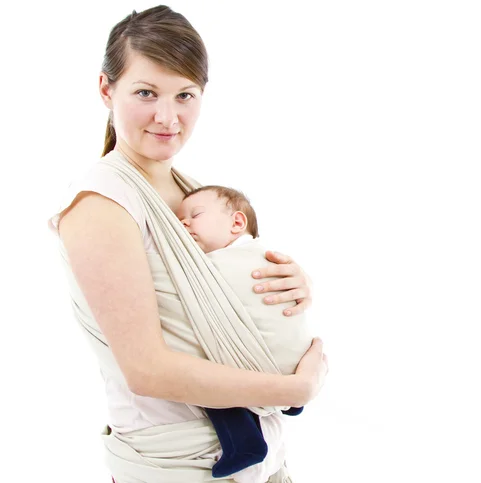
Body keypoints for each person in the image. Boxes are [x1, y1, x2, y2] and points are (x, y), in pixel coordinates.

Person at [47, 5, 328, 483]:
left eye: (185, 95)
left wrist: (289, 285)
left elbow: (220, 306)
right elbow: (148, 371)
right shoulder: (102, 206)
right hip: (175, 465)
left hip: (257, 452)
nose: (167, 116)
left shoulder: (191, 193)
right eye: (145, 92)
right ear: (104, 89)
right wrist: (293, 386)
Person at [176, 185, 313, 478]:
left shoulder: (217, 264)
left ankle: (243, 442)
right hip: (297, 362)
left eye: (195, 215)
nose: (183, 223)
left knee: (199, 373)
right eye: (179, 220)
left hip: (269, 366)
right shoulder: (268, 255)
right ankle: (288, 405)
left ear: (237, 223)